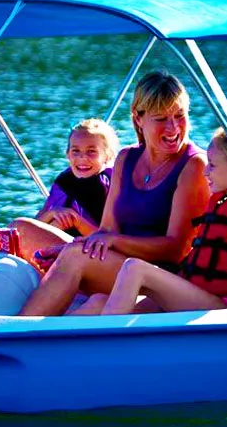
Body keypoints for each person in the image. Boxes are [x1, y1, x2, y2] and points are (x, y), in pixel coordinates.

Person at [18, 70, 210, 316]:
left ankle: (17, 330)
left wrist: (106, 244)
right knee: (22, 230)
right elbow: (107, 229)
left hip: (161, 277)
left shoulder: (194, 165)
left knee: (76, 257)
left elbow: (176, 249)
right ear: (138, 119)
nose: (173, 127)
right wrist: (73, 246)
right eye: (161, 118)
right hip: (118, 263)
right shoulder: (126, 158)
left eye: (180, 115)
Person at [93, 125, 227, 315]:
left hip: (224, 306)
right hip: (197, 293)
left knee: (134, 269)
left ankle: (105, 350)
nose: (205, 171)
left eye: (212, 165)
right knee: (97, 302)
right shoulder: (221, 202)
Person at [9, 118, 119, 255]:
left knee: (19, 227)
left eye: (91, 151)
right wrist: (53, 213)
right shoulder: (64, 181)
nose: (82, 158)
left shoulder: (111, 185)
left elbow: (112, 240)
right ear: (67, 154)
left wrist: (76, 222)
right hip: (61, 246)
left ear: (108, 155)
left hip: (90, 251)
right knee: (16, 228)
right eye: (75, 151)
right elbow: (37, 222)